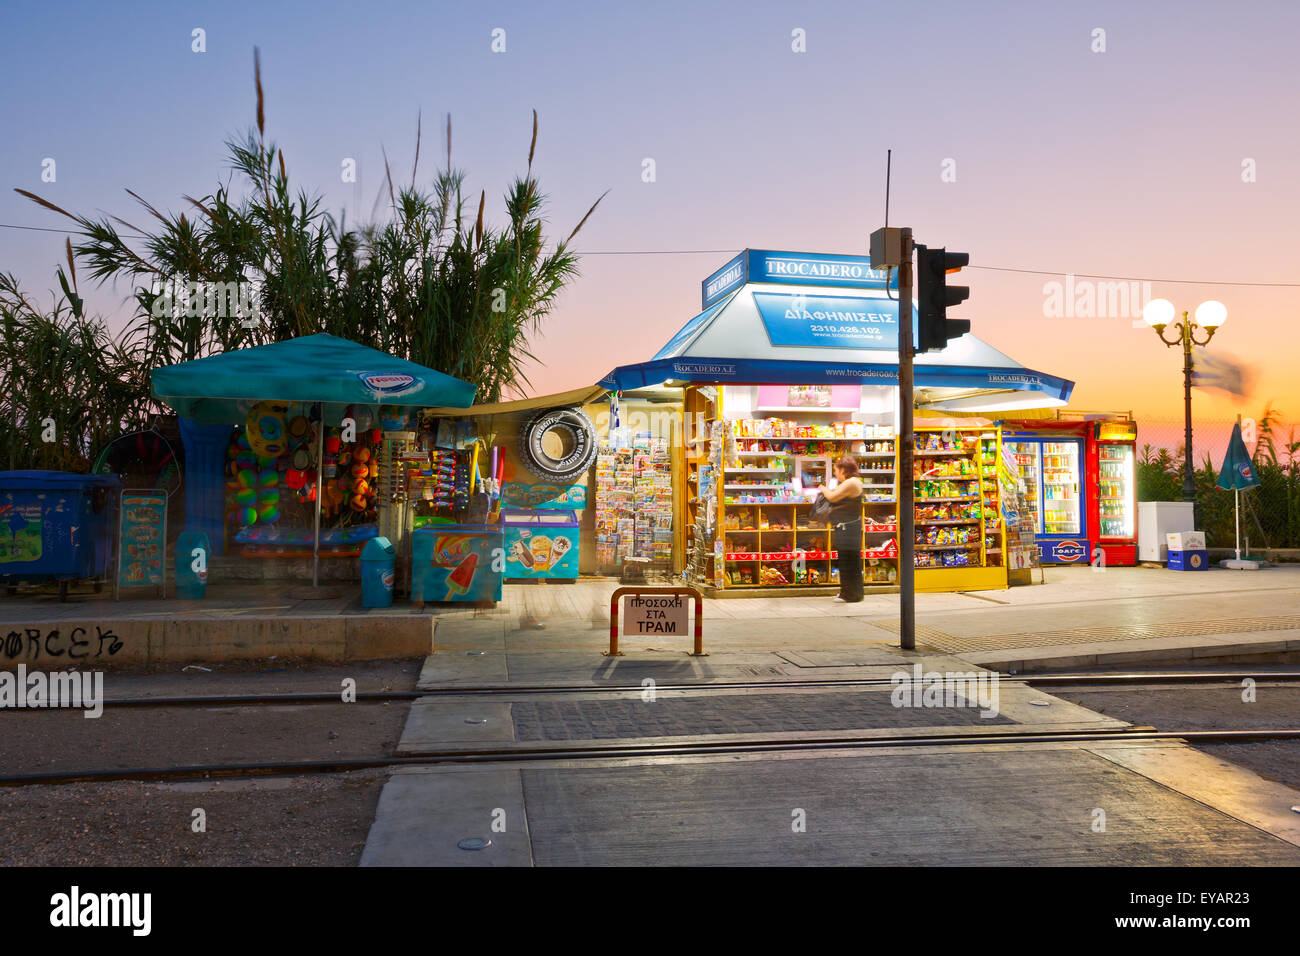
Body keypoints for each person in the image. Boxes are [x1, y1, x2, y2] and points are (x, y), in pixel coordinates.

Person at [818, 457, 864, 603]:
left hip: (848, 528)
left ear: (843, 470)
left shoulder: (851, 482)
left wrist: (822, 488)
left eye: (836, 470)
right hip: (848, 526)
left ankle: (849, 595)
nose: (836, 473)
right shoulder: (853, 482)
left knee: (848, 561)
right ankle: (852, 593)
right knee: (850, 561)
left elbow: (832, 497)